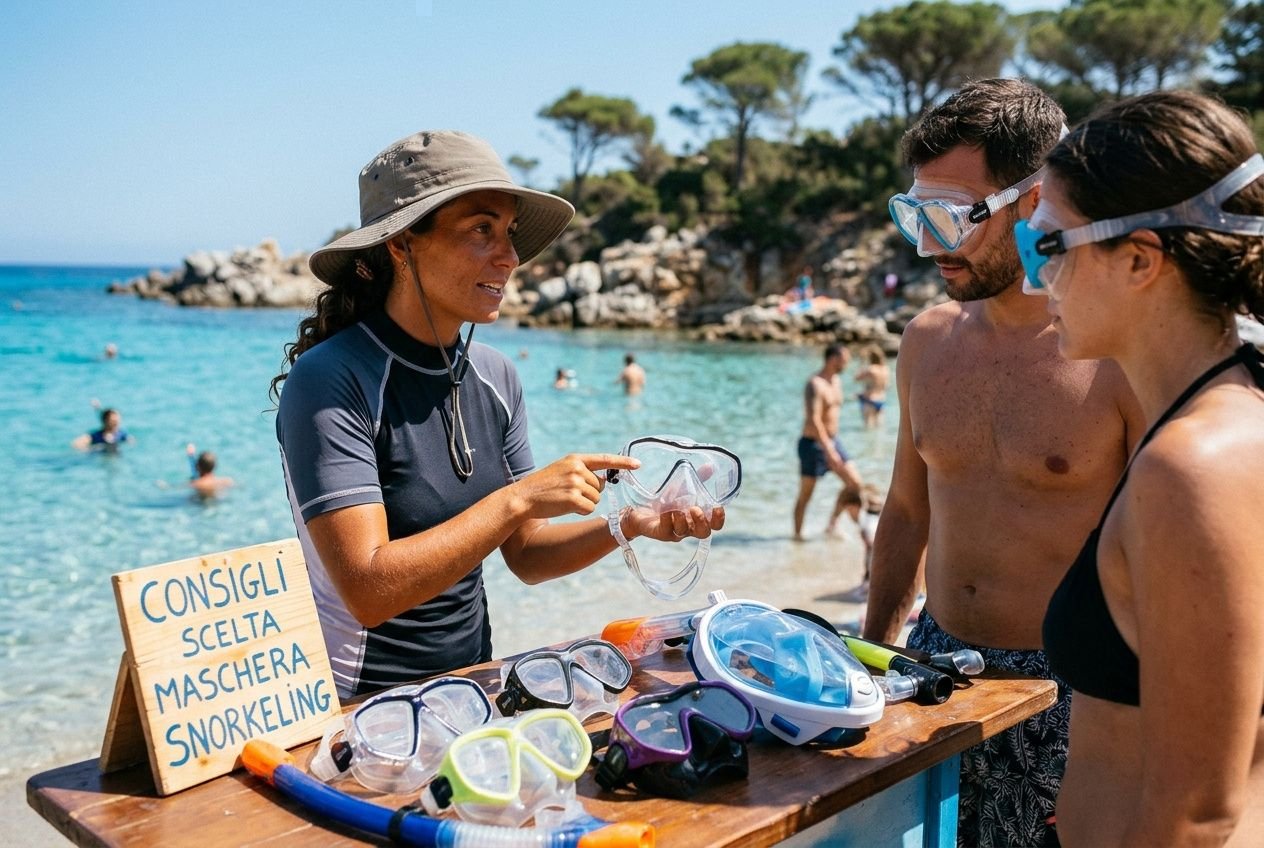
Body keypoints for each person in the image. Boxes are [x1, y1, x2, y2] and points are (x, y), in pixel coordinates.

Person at [271, 130, 724, 700]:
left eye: (508, 233)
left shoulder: (496, 376)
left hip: (472, 686)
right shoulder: (331, 378)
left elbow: (528, 555)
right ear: (402, 245)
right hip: (358, 703)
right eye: (481, 230)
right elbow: (369, 591)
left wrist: (630, 524)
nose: (510, 256)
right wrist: (520, 498)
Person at [863, 78, 1144, 847]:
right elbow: (907, 511)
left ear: (1033, 202)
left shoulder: (1114, 360)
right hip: (929, 669)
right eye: (914, 213)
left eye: (951, 216)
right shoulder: (926, 340)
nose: (930, 244)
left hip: (1068, 696)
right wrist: (873, 657)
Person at [1025, 91, 1264, 846]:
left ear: (1138, 258)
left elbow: (1198, 815)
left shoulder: (1192, 469)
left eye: (1050, 247)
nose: (1039, 283)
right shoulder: (1235, 416)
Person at [794, 344, 864, 541]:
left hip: (833, 441)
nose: (847, 364)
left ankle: (832, 525)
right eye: (844, 360)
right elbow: (813, 420)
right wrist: (829, 450)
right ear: (832, 358)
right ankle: (797, 537)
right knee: (806, 495)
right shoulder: (814, 384)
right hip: (812, 444)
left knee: (855, 483)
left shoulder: (837, 382)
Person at [853, 344, 889, 429]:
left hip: (869, 400)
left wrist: (861, 363)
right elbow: (886, 386)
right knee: (879, 428)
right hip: (881, 400)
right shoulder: (885, 369)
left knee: (868, 429)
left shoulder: (871, 370)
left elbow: (856, 378)